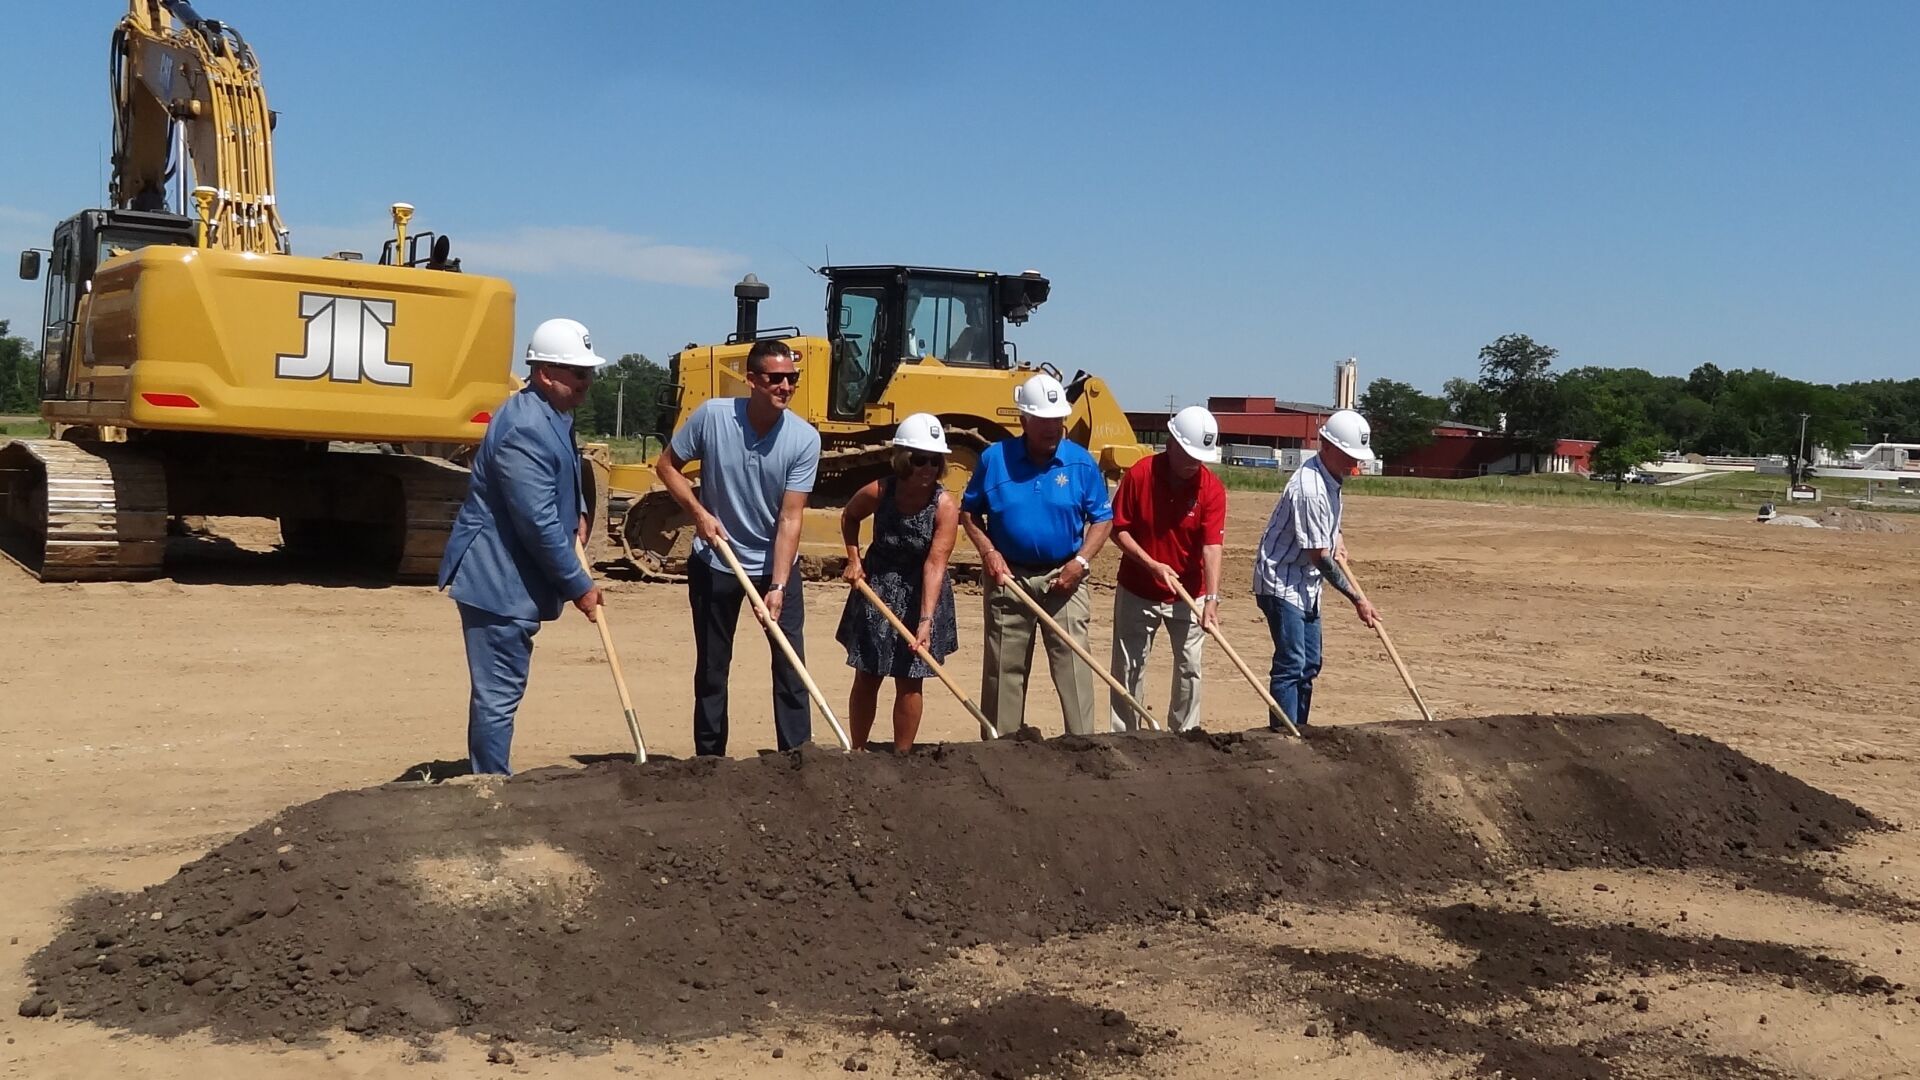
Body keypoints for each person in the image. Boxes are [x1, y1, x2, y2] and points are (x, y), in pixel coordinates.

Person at [438, 317, 607, 775]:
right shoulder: (526, 426)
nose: (587, 382)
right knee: (498, 693)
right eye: (579, 373)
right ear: (547, 373)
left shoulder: (553, 414)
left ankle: (490, 779)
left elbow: (556, 488)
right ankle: (490, 789)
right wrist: (579, 585)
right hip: (497, 579)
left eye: (589, 373)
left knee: (502, 689)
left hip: (512, 577)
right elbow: (535, 521)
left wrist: (581, 516)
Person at [657, 339, 823, 755]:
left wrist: (779, 586)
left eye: (792, 379)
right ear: (751, 380)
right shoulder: (713, 417)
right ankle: (710, 762)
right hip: (716, 562)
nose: (785, 386)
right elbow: (667, 467)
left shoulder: (804, 440)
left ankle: (798, 758)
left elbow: (790, 518)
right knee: (713, 669)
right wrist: (698, 512)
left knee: (790, 667)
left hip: (774, 566)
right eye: (775, 378)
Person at [960, 373, 1114, 736]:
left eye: (1058, 419)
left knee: (1074, 664)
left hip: (1066, 577)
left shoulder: (1080, 463)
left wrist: (1081, 562)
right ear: (1023, 420)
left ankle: (1083, 744)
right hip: (1009, 578)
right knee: (1004, 668)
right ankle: (1001, 747)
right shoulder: (994, 459)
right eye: (1043, 420)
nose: (1053, 427)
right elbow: (969, 512)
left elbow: (1102, 519)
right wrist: (989, 552)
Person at [835, 413, 961, 752]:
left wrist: (925, 621)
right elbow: (849, 516)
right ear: (904, 459)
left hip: (922, 591)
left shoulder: (944, 506)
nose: (928, 468)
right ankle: (858, 750)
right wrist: (854, 559)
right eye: (920, 459)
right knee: (868, 672)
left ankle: (901, 756)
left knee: (910, 678)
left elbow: (935, 563)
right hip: (878, 585)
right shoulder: (880, 490)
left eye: (936, 461)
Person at [1252, 408, 1380, 729]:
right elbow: (1319, 556)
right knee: (1291, 663)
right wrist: (1357, 599)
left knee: (1310, 664)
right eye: (1349, 455)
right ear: (1327, 446)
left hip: (1307, 583)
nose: (1355, 463)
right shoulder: (1309, 488)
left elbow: (1328, 530)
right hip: (1281, 581)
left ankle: (1302, 731)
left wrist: (1339, 536)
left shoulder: (1332, 478)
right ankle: (1284, 736)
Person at [1107, 406, 1227, 733]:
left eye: (1199, 457)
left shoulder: (1212, 489)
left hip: (1190, 592)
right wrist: (1151, 564)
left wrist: (1212, 598)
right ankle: (1127, 735)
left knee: (1190, 667)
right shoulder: (1140, 474)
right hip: (1138, 589)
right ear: (1170, 441)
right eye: (1188, 454)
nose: (1193, 463)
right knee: (1129, 667)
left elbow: (1212, 546)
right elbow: (1118, 530)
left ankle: (1186, 735)